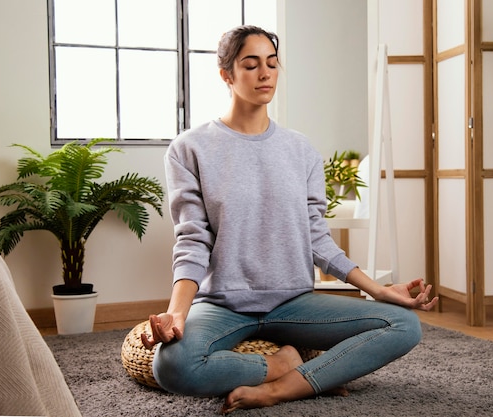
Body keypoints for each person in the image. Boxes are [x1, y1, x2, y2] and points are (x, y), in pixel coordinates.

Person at [141, 25, 438, 413]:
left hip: (294, 302)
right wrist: (177, 314)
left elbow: (317, 237)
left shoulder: (300, 150)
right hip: (223, 305)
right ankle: (281, 364)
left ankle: (284, 388)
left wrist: (378, 290)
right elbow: (193, 238)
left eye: (272, 63)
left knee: (404, 325)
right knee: (172, 366)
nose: (265, 74)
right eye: (251, 65)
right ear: (226, 75)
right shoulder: (189, 148)